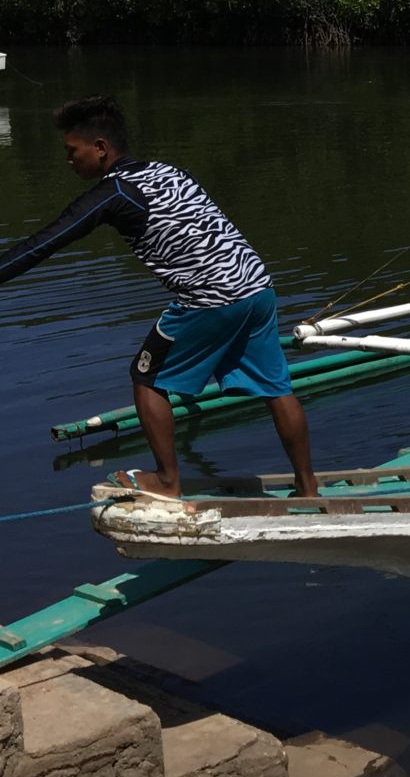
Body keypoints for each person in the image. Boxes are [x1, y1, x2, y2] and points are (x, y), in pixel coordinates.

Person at [0, 96, 317, 499]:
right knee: (276, 387)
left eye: (72, 152)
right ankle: (308, 488)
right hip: (257, 288)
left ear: (100, 148)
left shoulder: (114, 193)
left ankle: (167, 482)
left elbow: (44, 242)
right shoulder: (167, 170)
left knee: (146, 377)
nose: (69, 161)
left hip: (210, 299)